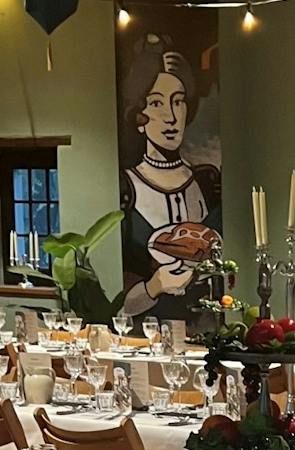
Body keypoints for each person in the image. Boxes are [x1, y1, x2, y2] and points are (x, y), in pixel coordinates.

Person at [119, 45, 222, 320]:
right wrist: (154, 286)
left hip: (206, 331)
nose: (171, 117)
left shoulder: (207, 183)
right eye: (156, 103)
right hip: (143, 334)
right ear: (138, 116)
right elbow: (115, 307)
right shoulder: (125, 189)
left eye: (178, 102)